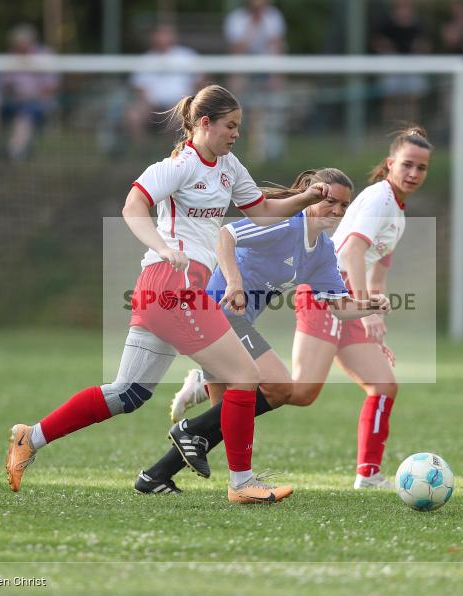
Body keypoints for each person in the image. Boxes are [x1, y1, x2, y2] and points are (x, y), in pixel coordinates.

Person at [5, 84, 329, 504]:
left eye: (239, 127)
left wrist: (305, 198)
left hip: (167, 289)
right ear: (204, 123)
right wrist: (161, 246)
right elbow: (132, 207)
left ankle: (30, 437)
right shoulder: (178, 165)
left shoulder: (229, 166)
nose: (236, 134)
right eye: (230, 126)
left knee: (128, 394)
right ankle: (242, 483)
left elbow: (263, 212)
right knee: (246, 377)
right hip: (173, 284)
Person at [171, 126, 433, 490]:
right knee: (284, 389)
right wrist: (367, 309)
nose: (414, 173)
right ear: (390, 164)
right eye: (408, 164)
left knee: (362, 387)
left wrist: (374, 309)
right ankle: (211, 409)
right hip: (328, 293)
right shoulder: (378, 199)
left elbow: (379, 264)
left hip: (341, 294)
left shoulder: (396, 212)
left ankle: (368, 474)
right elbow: (354, 249)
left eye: (422, 168)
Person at [135, 169, 392, 494]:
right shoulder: (287, 224)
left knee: (226, 419)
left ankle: (155, 476)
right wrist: (235, 282)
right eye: (330, 202)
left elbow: (339, 307)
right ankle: (194, 434)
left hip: (231, 323)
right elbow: (225, 236)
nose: (337, 212)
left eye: (344, 206)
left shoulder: (324, 251)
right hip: (215, 312)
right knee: (280, 386)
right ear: (312, 195)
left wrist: (371, 305)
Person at [223, 0, 287, 162]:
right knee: (236, 86)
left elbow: (277, 47)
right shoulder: (236, 19)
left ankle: (271, 150)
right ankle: (234, 142)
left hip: (267, 70)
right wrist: (252, 24)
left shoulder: (274, 16)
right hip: (244, 70)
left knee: (273, 102)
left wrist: (275, 75)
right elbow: (238, 50)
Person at [125, 24, 202, 146]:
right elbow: (139, 87)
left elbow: (200, 81)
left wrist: (188, 99)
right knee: (133, 115)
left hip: (179, 103)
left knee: (176, 115)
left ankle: (169, 153)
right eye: (160, 34)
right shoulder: (146, 59)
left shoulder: (186, 56)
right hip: (151, 105)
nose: (163, 38)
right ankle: (143, 151)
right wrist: (148, 103)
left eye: (166, 34)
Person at [0, 24, 60, 161]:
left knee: (24, 115)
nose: (19, 46)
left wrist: (33, 95)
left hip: (37, 102)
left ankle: (16, 151)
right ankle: (9, 149)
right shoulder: (10, 57)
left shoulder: (45, 55)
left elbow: (51, 85)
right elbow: (3, 84)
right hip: (13, 101)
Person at [371, 0, 432, 125]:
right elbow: (376, 41)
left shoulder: (419, 24)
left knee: (411, 98)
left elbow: (426, 44)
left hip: (413, 64)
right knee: (391, 97)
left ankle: (410, 128)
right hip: (391, 63)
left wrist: (419, 48)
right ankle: (390, 128)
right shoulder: (386, 23)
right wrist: (387, 49)